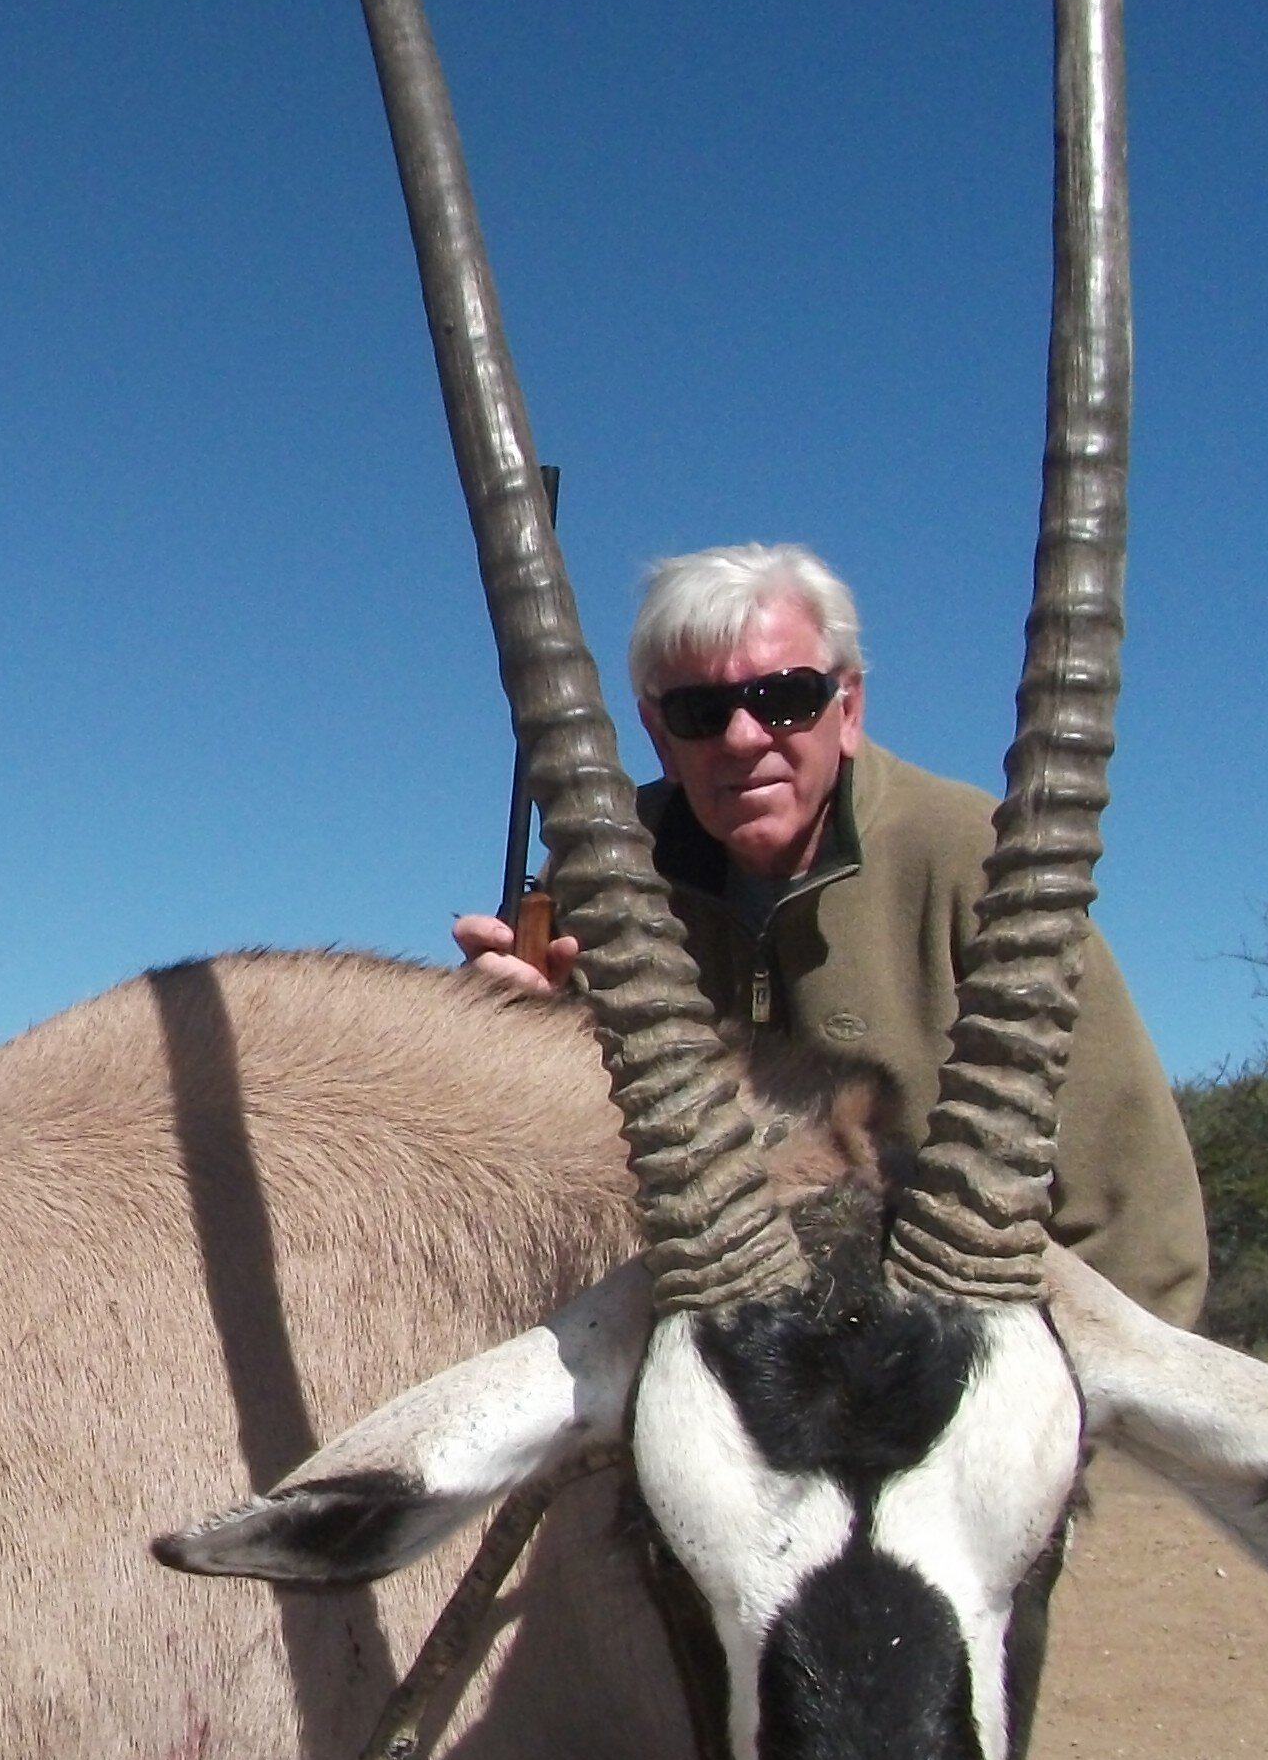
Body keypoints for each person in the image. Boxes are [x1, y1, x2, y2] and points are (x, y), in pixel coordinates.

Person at [450, 541, 1207, 1325]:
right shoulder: (600, 875)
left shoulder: (975, 858)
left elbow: (1138, 1227)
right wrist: (503, 1041)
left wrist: (1075, 1437)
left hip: (945, 1363)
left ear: (847, 709)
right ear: (658, 735)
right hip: (692, 1356)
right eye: (701, 713)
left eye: (784, 698)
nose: (743, 738)